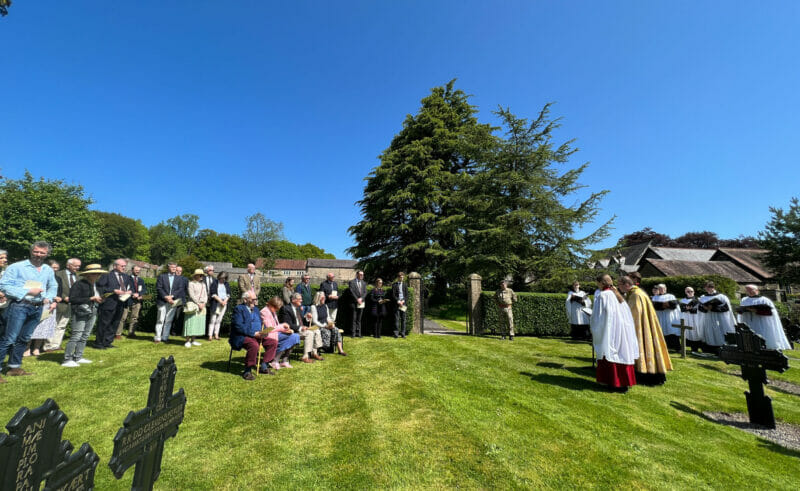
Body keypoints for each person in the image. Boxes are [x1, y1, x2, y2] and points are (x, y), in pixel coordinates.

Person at [0, 241, 58, 380]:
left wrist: (48, 298)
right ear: (31, 251)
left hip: (37, 307)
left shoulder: (47, 269)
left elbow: (53, 285)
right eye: (36, 251)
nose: (38, 255)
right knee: (9, 339)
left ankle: (14, 367)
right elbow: (4, 285)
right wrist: (27, 291)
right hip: (20, 305)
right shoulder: (17, 267)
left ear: (47, 254)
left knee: (24, 338)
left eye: (42, 253)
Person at [618, 276, 672, 385]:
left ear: (627, 285)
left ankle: (644, 375)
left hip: (640, 329)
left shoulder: (635, 295)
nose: (618, 287)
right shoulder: (638, 293)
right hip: (644, 326)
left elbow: (632, 315)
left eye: (620, 285)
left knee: (642, 348)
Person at [590, 274, 638, 392]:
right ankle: (624, 383)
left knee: (609, 351)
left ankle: (613, 382)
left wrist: (593, 324)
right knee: (621, 352)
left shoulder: (603, 295)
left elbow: (599, 316)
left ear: (601, 283)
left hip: (609, 329)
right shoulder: (616, 294)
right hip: (621, 330)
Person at [61, 264, 105, 367]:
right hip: (80, 311)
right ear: (88, 275)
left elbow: (97, 297)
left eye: (98, 273)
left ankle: (78, 357)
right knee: (76, 335)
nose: (97, 275)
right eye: (94, 273)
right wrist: (91, 298)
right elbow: (72, 299)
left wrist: (101, 299)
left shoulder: (97, 285)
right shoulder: (79, 284)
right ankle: (67, 359)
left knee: (85, 335)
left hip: (93, 310)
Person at [230, 291, 278, 380]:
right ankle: (247, 371)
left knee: (273, 342)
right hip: (242, 336)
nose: (255, 301)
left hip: (258, 335)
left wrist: (264, 330)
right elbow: (238, 326)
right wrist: (253, 333)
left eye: (256, 299)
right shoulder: (239, 309)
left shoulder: (256, 309)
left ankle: (264, 366)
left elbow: (259, 323)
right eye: (253, 299)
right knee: (254, 345)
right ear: (245, 300)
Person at [736, 284, 791, 351]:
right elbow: (740, 310)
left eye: (751, 290)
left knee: (763, 335)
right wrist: (742, 310)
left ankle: (767, 347)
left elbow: (772, 312)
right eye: (747, 290)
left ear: (757, 290)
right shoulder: (744, 300)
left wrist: (757, 310)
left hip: (763, 322)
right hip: (749, 321)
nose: (749, 292)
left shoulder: (764, 300)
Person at [24, 259, 61, 357]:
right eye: (53, 268)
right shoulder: (34, 276)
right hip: (34, 304)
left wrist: (54, 302)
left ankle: (36, 348)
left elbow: (57, 292)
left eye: (57, 268)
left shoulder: (56, 279)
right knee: (30, 327)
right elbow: (29, 291)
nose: (55, 270)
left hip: (49, 306)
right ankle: (27, 349)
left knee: (43, 328)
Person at [93, 259, 132, 349]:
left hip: (121, 302)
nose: (124, 267)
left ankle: (108, 342)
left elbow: (130, 287)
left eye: (124, 266)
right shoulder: (107, 275)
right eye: (122, 266)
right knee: (104, 323)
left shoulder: (126, 276)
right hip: (109, 302)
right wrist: (113, 290)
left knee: (115, 322)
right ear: (115, 266)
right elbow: (100, 287)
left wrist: (130, 291)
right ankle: (99, 343)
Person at [44, 257, 80, 351]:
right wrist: (64, 297)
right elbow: (55, 288)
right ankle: (48, 346)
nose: (78, 268)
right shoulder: (58, 274)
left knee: (62, 325)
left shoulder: (78, 276)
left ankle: (56, 345)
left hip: (70, 305)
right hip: (58, 303)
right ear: (68, 265)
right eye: (76, 265)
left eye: (79, 266)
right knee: (51, 324)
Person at [280, 292, 323, 363]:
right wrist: (300, 328)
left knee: (316, 330)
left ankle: (314, 353)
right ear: (293, 300)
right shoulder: (286, 309)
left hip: (300, 329)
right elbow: (287, 324)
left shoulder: (298, 308)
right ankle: (305, 356)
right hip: (292, 331)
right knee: (309, 333)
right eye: (299, 299)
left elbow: (301, 319)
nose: (301, 300)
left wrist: (306, 317)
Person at [260, 296, 300, 370]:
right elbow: (269, 328)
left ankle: (284, 360)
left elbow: (276, 326)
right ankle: (275, 360)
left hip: (276, 333)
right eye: (276, 308)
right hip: (269, 335)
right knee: (293, 337)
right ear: (271, 305)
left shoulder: (273, 311)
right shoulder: (264, 312)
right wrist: (282, 328)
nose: (277, 310)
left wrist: (284, 328)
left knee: (295, 336)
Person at [697, 281, 736, 355]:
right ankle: (708, 349)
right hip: (707, 317)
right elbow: (700, 308)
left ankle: (720, 350)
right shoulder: (703, 297)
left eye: (709, 287)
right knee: (708, 332)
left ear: (713, 287)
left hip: (719, 318)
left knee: (718, 332)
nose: (707, 289)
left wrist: (712, 308)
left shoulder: (721, 297)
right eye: (706, 287)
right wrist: (705, 308)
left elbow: (726, 308)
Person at [154, 262, 187, 343]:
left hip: (173, 301)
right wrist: (166, 297)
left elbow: (180, 289)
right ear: (168, 268)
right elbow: (159, 288)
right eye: (172, 267)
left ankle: (165, 337)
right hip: (162, 301)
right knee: (160, 320)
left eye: (175, 267)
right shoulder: (162, 277)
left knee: (169, 320)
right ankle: (157, 337)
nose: (174, 269)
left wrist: (171, 297)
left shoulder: (179, 278)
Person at [311, 291, 346, 356]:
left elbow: (328, 318)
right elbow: (314, 321)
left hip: (326, 325)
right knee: (326, 331)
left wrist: (331, 323)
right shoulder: (314, 307)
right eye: (323, 298)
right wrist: (324, 326)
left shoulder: (325, 306)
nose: (324, 299)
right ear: (318, 298)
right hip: (318, 326)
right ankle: (326, 347)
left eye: (324, 298)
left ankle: (340, 350)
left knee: (336, 329)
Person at [118, 265, 146, 338]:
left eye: (139, 270)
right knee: (123, 317)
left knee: (134, 317)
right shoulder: (127, 279)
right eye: (136, 270)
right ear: (132, 270)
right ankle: (118, 334)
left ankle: (131, 333)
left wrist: (139, 294)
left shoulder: (141, 280)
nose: (138, 271)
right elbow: (125, 288)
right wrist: (133, 294)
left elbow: (144, 290)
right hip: (127, 300)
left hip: (137, 301)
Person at [651, 284, 682, 351]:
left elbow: (674, 305)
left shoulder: (671, 296)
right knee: (662, 331)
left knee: (672, 331)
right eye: (660, 288)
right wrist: (665, 305)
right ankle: (664, 347)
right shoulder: (655, 297)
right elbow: (655, 306)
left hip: (670, 317)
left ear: (665, 289)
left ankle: (677, 348)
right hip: (660, 317)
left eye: (663, 288)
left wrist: (663, 305)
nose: (661, 290)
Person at [183, 269, 208, 348]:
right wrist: (198, 303)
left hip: (202, 305)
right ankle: (187, 341)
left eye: (202, 275)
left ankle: (193, 340)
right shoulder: (191, 283)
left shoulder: (203, 284)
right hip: (193, 305)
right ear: (195, 276)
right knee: (190, 322)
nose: (201, 276)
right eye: (200, 275)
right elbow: (191, 295)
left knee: (197, 323)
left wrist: (204, 303)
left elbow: (205, 294)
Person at [679, 287, 703, 352]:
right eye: (688, 291)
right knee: (686, 332)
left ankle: (695, 348)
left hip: (695, 318)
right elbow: (681, 309)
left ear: (694, 292)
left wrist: (690, 309)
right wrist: (686, 309)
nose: (690, 293)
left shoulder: (698, 300)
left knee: (695, 331)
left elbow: (700, 309)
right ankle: (685, 347)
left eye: (691, 291)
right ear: (685, 292)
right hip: (686, 318)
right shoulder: (682, 300)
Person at [208, 271, 230, 341]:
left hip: (224, 304)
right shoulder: (214, 283)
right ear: (219, 277)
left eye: (224, 278)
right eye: (221, 278)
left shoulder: (226, 284)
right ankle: (210, 335)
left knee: (219, 320)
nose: (222, 280)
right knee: (213, 320)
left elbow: (228, 294)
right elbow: (213, 294)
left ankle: (216, 334)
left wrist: (225, 301)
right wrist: (220, 301)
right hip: (216, 303)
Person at [349, 270, 367, 338]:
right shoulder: (352, 282)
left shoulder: (364, 283)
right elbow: (351, 292)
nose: (362, 276)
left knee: (359, 319)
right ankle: (353, 333)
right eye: (360, 274)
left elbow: (365, 292)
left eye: (362, 275)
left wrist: (361, 299)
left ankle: (358, 333)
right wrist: (357, 299)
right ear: (357, 275)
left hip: (361, 303)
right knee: (354, 318)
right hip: (354, 303)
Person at [391, 272, 409, 338]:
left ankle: (403, 333)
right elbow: (393, 295)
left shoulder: (405, 285)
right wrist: (398, 301)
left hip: (403, 304)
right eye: (401, 277)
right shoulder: (394, 285)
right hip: (396, 304)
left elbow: (407, 295)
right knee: (396, 319)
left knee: (403, 319)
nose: (402, 278)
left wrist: (403, 301)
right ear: (398, 277)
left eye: (402, 277)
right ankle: (396, 333)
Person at [173, 266, 189, 334]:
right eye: (177, 270)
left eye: (180, 271)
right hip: (172, 300)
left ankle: (176, 331)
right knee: (170, 317)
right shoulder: (171, 278)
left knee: (178, 317)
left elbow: (187, 289)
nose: (178, 272)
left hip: (181, 300)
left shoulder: (185, 279)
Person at [202, 265, 215, 334]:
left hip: (212, 300)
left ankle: (208, 332)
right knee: (202, 315)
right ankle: (201, 332)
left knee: (210, 316)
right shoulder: (202, 279)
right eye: (210, 270)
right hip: (203, 300)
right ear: (206, 271)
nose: (212, 271)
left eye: (213, 270)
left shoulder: (214, 280)